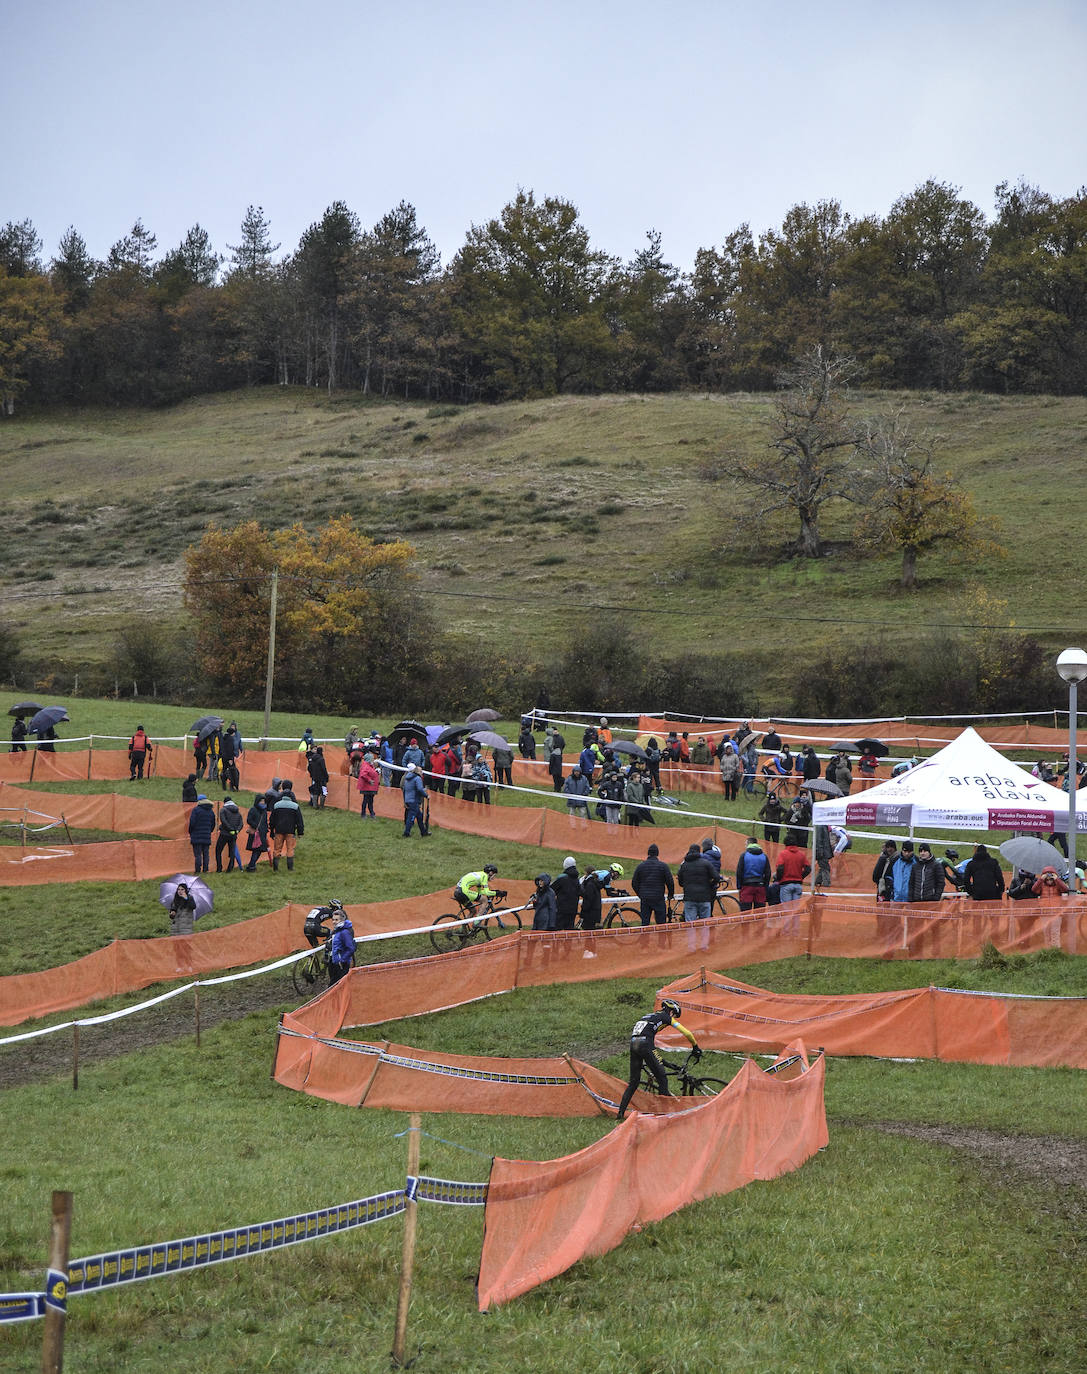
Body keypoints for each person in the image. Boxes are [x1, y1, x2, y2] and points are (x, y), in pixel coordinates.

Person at [616, 998, 702, 1121]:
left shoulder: (649, 1016)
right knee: (662, 1078)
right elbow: (687, 1033)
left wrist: (668, 1064)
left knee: (633, 1082)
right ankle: (664, 1116)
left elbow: (651, 1050)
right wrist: (695, 1047)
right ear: (671, 1011)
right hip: (645, 1044)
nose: (674, 1017)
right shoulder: (666, 1017)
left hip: (634, 1044)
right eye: (675, 1015)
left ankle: (620, 1114)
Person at [631, 843, 674, 925]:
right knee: (661, 924)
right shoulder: (663, 866)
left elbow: (634, 883)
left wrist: (640, 894)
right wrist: (670, 894)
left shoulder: (641, 866)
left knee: (645, 924)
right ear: (657, 853)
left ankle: (645, 937)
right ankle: (662, 937)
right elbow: (670, 882)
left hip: (645, 898)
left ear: (648, 853)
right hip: (658, 898)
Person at [270, 778, 305, 871]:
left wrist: (271, 831)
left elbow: (272, 819)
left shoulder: (276, 805)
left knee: (277, 849)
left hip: (278, 830)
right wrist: (300, 832)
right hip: (290, 831)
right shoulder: (295, 806)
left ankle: (275, 868)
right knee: (290, 849)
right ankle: (290, 868)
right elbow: (299, 820)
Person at [677, 843, 718, 922]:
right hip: (704, 897)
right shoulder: (706, 863)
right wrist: (710, 885)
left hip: (689, 897)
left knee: (690, 925)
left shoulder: (684, 865)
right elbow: (716, 877)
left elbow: (680, 882)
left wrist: (686, 885)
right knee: (705, 925)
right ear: (699, 852)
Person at [736, 837, 772, 910]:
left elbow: (739, 872)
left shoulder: (744, 855)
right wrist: (765, 886)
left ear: (749, 844)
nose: (745, 846)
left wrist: (739, 886)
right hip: (760, 886)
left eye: (745, 844)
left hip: (746, 886)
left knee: (745, 913)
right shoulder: (764, 856)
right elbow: (768, 873)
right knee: (759, 913)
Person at [214, 795, 245, 873]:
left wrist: (230, 829)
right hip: (234, 835)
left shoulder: (223, 810)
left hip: (224, 834)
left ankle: (219, 868)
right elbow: (241, 823)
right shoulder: (237, 811)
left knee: (218, 850)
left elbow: (223, 821)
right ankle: (230, 869)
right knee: (232, 852)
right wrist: (237, 830)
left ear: (224, 802)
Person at [327, 907, 357, 985]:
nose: (334, 922)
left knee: (337, 985)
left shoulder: (344, 932)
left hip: (341, 964)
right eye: (333, 920)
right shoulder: (336, 931)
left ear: (342, 920)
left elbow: (351, 948)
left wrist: (342, 960)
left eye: (336, 920)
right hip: (334, 961)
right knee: (334, 984)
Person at [187, 793, 216, 874]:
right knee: (206, 854)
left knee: (198, 855)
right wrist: (209, 831)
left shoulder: (196, 810)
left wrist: (190, 831)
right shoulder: (211, 811)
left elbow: (192, 822)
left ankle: (197, 870)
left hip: (196, 835)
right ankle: (206, 870)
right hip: (207, 835)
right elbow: (213, 824)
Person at [552, 856, 582, 930]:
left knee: (557, 930)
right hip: (573, 909)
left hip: (561, 909)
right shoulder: (577, 880)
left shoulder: (562, 878)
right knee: (569, 931)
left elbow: (551, 890)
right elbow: (580, 891)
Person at [401, 763, 428, 837]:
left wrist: (405, 800)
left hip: (408, 799)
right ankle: (406, 832)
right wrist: (426, 795)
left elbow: (404, 790)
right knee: (411, 817)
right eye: (421, 771)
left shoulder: (407, 778)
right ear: (417, 771)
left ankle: (423, 832)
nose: (422, 772)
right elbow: (419, 789)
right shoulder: (417, 778)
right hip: (414, 800)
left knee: (419, 816)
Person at [243, 794, 269, 870]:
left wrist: (266, 829)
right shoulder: (253, 809)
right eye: (261, 801)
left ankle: (251, 865)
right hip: (255, 833)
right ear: (257, 801)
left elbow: (265, 821)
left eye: (264, 801)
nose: (263, 803)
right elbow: (249, 820)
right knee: (256, 850)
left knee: (260, 850)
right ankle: (251, 866)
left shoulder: (264, 811)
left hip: (263, 833)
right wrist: (256, 826)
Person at [579, 864, 605, 930]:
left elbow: (588, 899)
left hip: (589, 914)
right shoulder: (596, 883)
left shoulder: (590, 884)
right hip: (596, 912)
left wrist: (583, 912)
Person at [356, 752, 380, 817]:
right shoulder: (366, 765)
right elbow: (363, 774)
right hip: (367, 787)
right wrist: (369, 780)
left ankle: (371, 813)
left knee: (370, 801)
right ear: (369, 759)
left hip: (371, 787)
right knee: (366, 800)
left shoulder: (369, 766)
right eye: (372, 758)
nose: (373, 760)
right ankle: (364, 814)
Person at [219, 724, 240, 791]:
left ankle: (224, 786)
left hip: (223, 757)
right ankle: (232, 786)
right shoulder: (230, 739)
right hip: (229, 758)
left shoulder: (223, 738)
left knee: (224, 771)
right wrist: (230, 758)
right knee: (233, 772)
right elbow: (230, 749)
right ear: (232, 733)